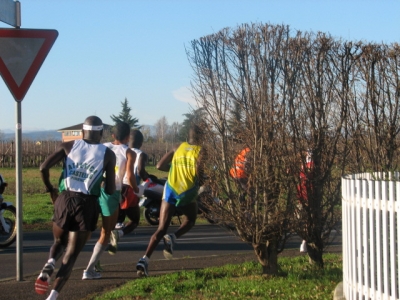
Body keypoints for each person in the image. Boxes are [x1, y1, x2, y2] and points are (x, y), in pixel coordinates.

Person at [35, 116, 116, 300]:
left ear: (82, 131)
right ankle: (52, 297)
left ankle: (50, 262)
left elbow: (43, 167)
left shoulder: (69, 146)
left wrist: (50, 188)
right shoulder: (108, 154)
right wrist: (102, 181)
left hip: (64, 199)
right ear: (101, 133)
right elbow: (110, 189)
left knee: (58, 242)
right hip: (86, 204)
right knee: (71, 255)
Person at [136, 123, 205, 277]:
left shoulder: (178, 146)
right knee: (191, 219)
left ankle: (144, 259)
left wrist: (175, 168)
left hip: (170, 189)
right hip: (186, 191)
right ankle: (173, 237)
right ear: (202, 137)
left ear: (188, 136)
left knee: (160, 229)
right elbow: (198, 172)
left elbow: (160, 165)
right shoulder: (202, 151)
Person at [82, 122, 139, 279]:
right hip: (112, 191)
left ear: (112, 135)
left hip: (93, 188)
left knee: (92, 230)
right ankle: (89, 270)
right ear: (128, 137)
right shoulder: (129, 152)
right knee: (107, 232)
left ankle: (92, 262)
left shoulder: (102, 147)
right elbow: (130, 176)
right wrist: (136, 190)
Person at [109, 129, 149, 254]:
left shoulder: (121, 151)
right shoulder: (140, 154)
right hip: (130, 187)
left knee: (117, 218)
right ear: (141, 142)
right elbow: (141, 171)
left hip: (116, 187)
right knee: (135, 220)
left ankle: (109, 240)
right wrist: (148, 180)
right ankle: (119, 234)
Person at [297, 149, 314, 253]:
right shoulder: (304, 165)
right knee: (302, 219)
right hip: (302, 194)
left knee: (307, 219)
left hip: (307, 195)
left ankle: (305, 241)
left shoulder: (310, 165)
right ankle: (305, 240)